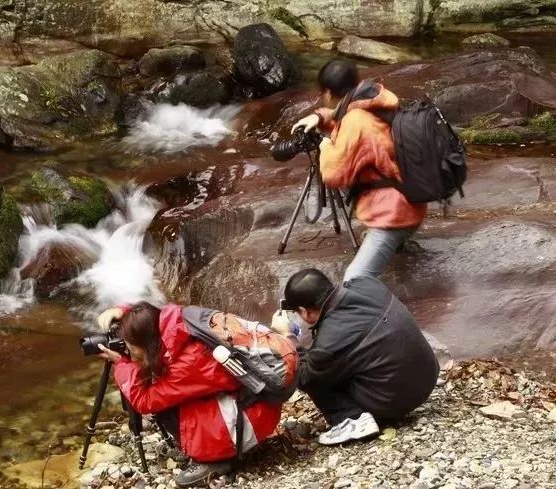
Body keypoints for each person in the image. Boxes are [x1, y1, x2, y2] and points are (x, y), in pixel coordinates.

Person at [96, 302, 292, 488]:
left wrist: (123, 364)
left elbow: (145, 401)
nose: (128, 350)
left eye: (130, 346)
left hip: (252, 420)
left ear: (146, 341)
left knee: (163, 405)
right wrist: (126, 312)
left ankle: (217, 459)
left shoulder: (191, 361)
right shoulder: (180, 323)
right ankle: (217, 446)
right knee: (164, 387)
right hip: (255, 402)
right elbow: (156, 312)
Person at [291, 59, 426, 282]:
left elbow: (333, 173)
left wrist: (325, 146)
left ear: (327, 92)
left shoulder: (356, 121)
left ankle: (377, 313)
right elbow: (340, 121)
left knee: (354, 279)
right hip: (411, 199)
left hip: (394, 216)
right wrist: (318, 117)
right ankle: (396, 243)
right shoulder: (373, 100)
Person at [270, 268, 438, 445]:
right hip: (428, 376)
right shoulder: (366, 283)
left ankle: (350, 420)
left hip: (395, 401)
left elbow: (303, 377)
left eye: (297, 313)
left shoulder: (331, 340)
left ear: (305, 312)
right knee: (338, 360)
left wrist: (288, 337)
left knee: (311, 373)